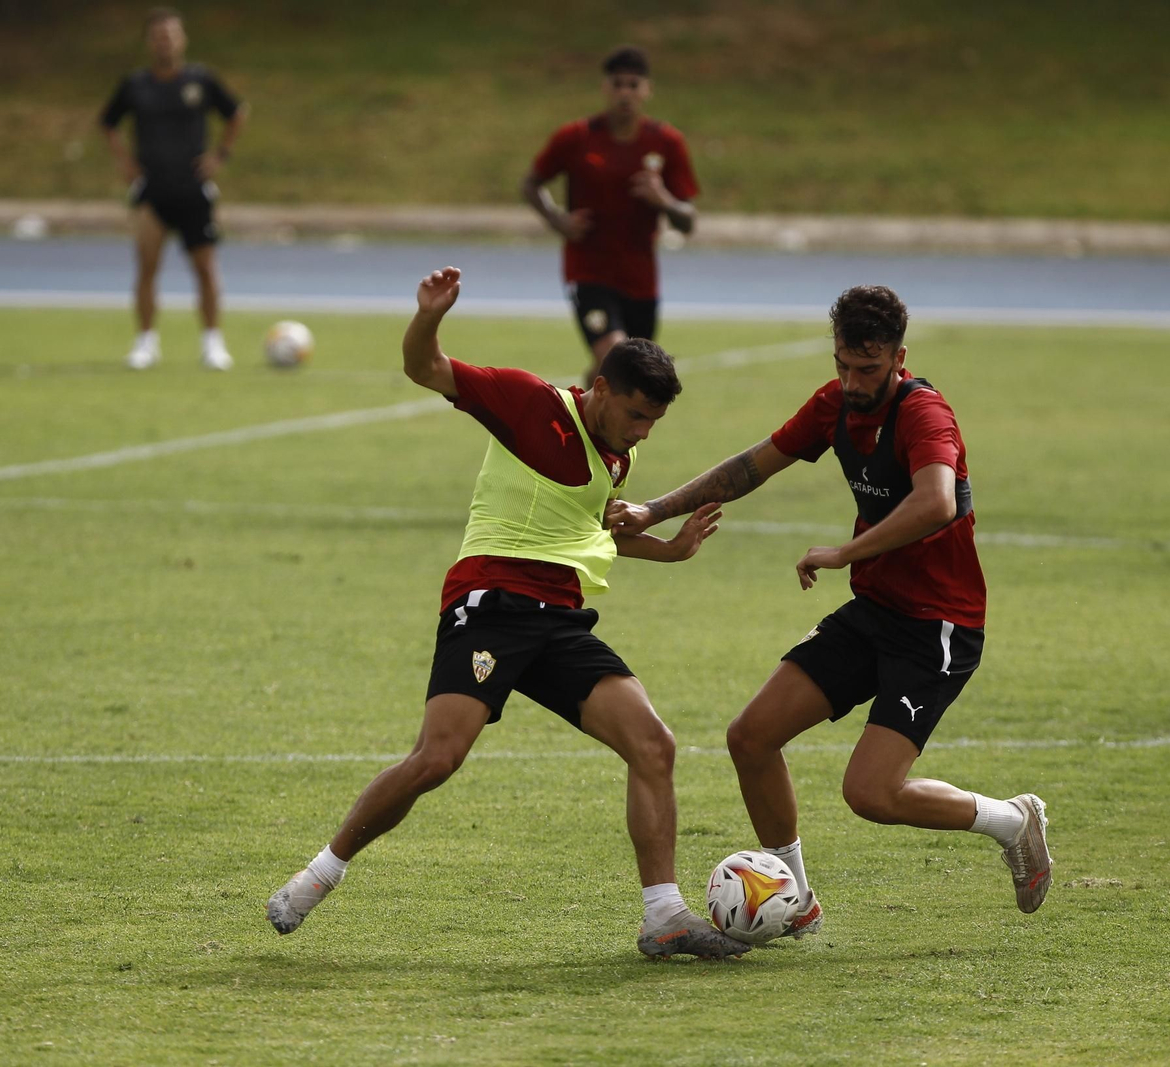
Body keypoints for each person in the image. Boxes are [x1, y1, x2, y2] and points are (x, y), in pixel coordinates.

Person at [267, 266, 750, 959]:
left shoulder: (618, 454)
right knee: (438, 757)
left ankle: (664, 916)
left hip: (559, 620)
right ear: (602, 388)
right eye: (637, 412)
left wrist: (670, 552)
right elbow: (423, 367)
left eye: (654, 420)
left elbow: (586, 531)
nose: (643, 429)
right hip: (489, 606)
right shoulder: (529, 402)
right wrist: (430, 314)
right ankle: (319, 875)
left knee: (654, 745)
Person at [607, 284, 1053, 936]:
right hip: (874, 609)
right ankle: (799, 901)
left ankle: (1013, 821)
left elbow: (937, 502)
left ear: (900, 357)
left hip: (937, 625)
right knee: (750, 736)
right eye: (842, 364)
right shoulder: (834, 404)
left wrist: (848, 550)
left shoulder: (925, 414)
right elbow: (751, 466)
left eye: (867, 369)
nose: (851, 381)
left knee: (870, 793)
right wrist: (652, 509)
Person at [522, 46, 699, 386]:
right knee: (613, 352)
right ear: (605, 88)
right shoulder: (577, 138)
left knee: (626, 370)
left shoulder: (666, 143)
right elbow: (531, 183)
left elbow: (688, 219)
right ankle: (586, 432)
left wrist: (663, 200)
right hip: (589, 269)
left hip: (640, 275)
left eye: (633, 85)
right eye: (617, 84)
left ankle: (584, 415)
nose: (625, 93)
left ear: (646, 90)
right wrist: (557, 219)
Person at [101, 7, 246, 371]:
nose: (165, 41)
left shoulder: (199, 81)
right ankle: (146, 343)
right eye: (158, 35)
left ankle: (213, 343)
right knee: (147, 265)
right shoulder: (136, 85)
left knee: (205, 268)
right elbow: (108, 122)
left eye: (171, 34)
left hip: (193, 188)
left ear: (182, 40)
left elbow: (236, 112)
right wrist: (123, 161)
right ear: (150, 42)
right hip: (152, 190)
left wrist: (220, 155)